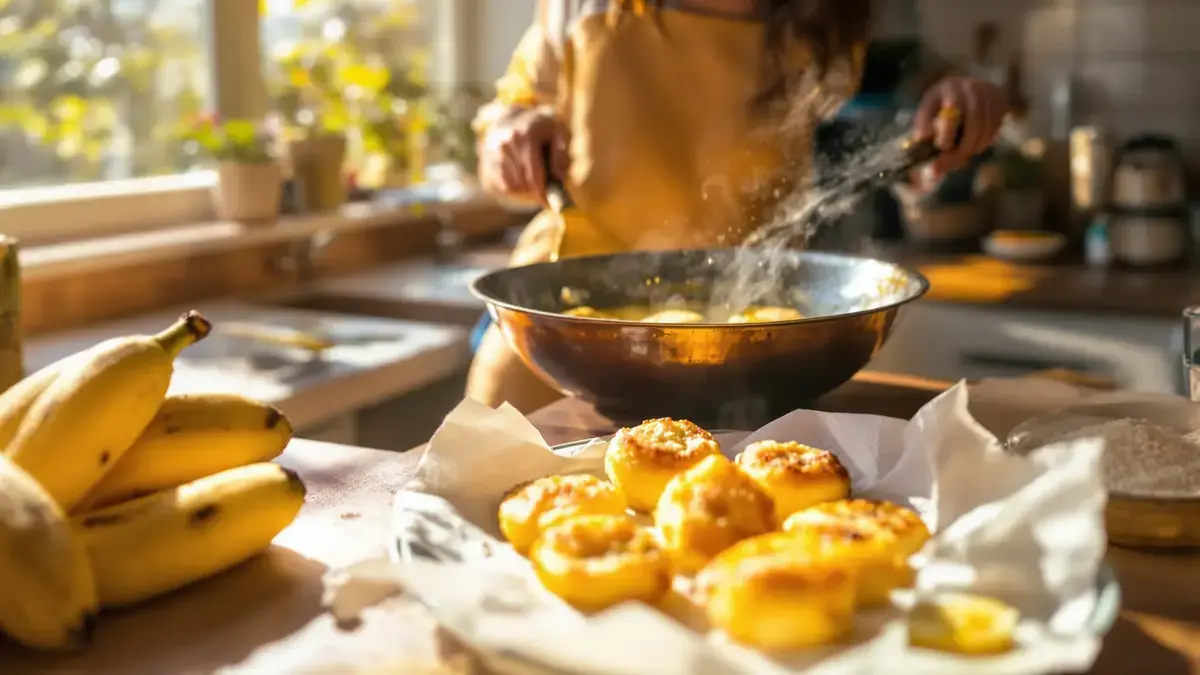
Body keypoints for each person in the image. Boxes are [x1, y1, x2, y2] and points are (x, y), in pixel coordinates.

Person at [467, 0, 1007, 412]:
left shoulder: (829, 17)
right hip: (559, 347)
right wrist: (508, 137)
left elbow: (923, 91)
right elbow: (506, 125)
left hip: (750, 356)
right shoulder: (584, 6)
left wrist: (956, 101)